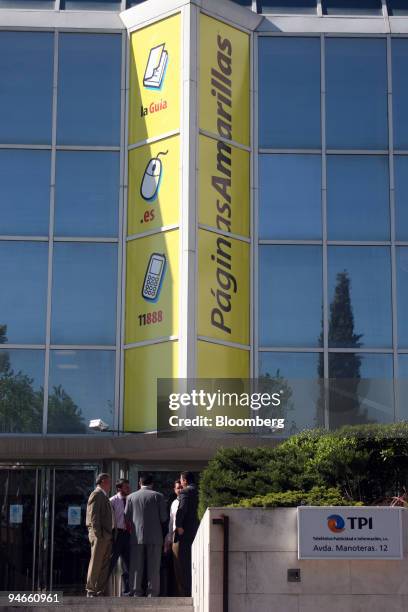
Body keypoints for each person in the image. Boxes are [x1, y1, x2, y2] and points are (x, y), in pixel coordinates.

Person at [125, 473, 167, 597]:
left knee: (136, 566)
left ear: (139, 483)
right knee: (154, 567)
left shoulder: (131, 497)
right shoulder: (158, 496)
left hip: (136, 536)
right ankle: (152, 592)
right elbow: (164, 517)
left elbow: (126, 517)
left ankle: (136, 591)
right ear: (152, 484)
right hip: (155, 537)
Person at [85, 473, 114, 597]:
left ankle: (99, 590)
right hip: (100, 536)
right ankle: (91, 589)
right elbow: (93, 517)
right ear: (103, 482)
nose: (110, 485)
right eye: (109, 482)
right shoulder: (96, 494)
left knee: (104, 565)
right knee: (96, 562)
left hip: (106, 536)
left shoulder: (104, 496)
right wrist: (98, 535)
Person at [173, 471, 199, 597]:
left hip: (186, 532)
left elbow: (181, 509)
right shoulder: (201, 492)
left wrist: (178, 526)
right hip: (197, 531)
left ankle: (188, 592)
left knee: (185, 563)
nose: (181, 483)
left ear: (185, 481)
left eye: (181, 480)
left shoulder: (185, 492)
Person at [109, 478, 131, 595]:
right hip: (117, 534)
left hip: (128, 534)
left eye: (128, 487)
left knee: (128, 564)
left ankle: (127, 591)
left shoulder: (131, 500)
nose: (128, 489)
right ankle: (102, 588)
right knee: (111, 561)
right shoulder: (112, 501)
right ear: (119, 488)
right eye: (126, 487)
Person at [164, 479, 183, 595]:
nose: (180, 490)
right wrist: (168, 539)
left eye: (181, 487)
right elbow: (171, 522)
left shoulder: (189, 501)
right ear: (174, 490)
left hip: (187, 536)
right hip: (175, 536)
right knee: (176, 566)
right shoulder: (174, 503)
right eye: (178, 488)